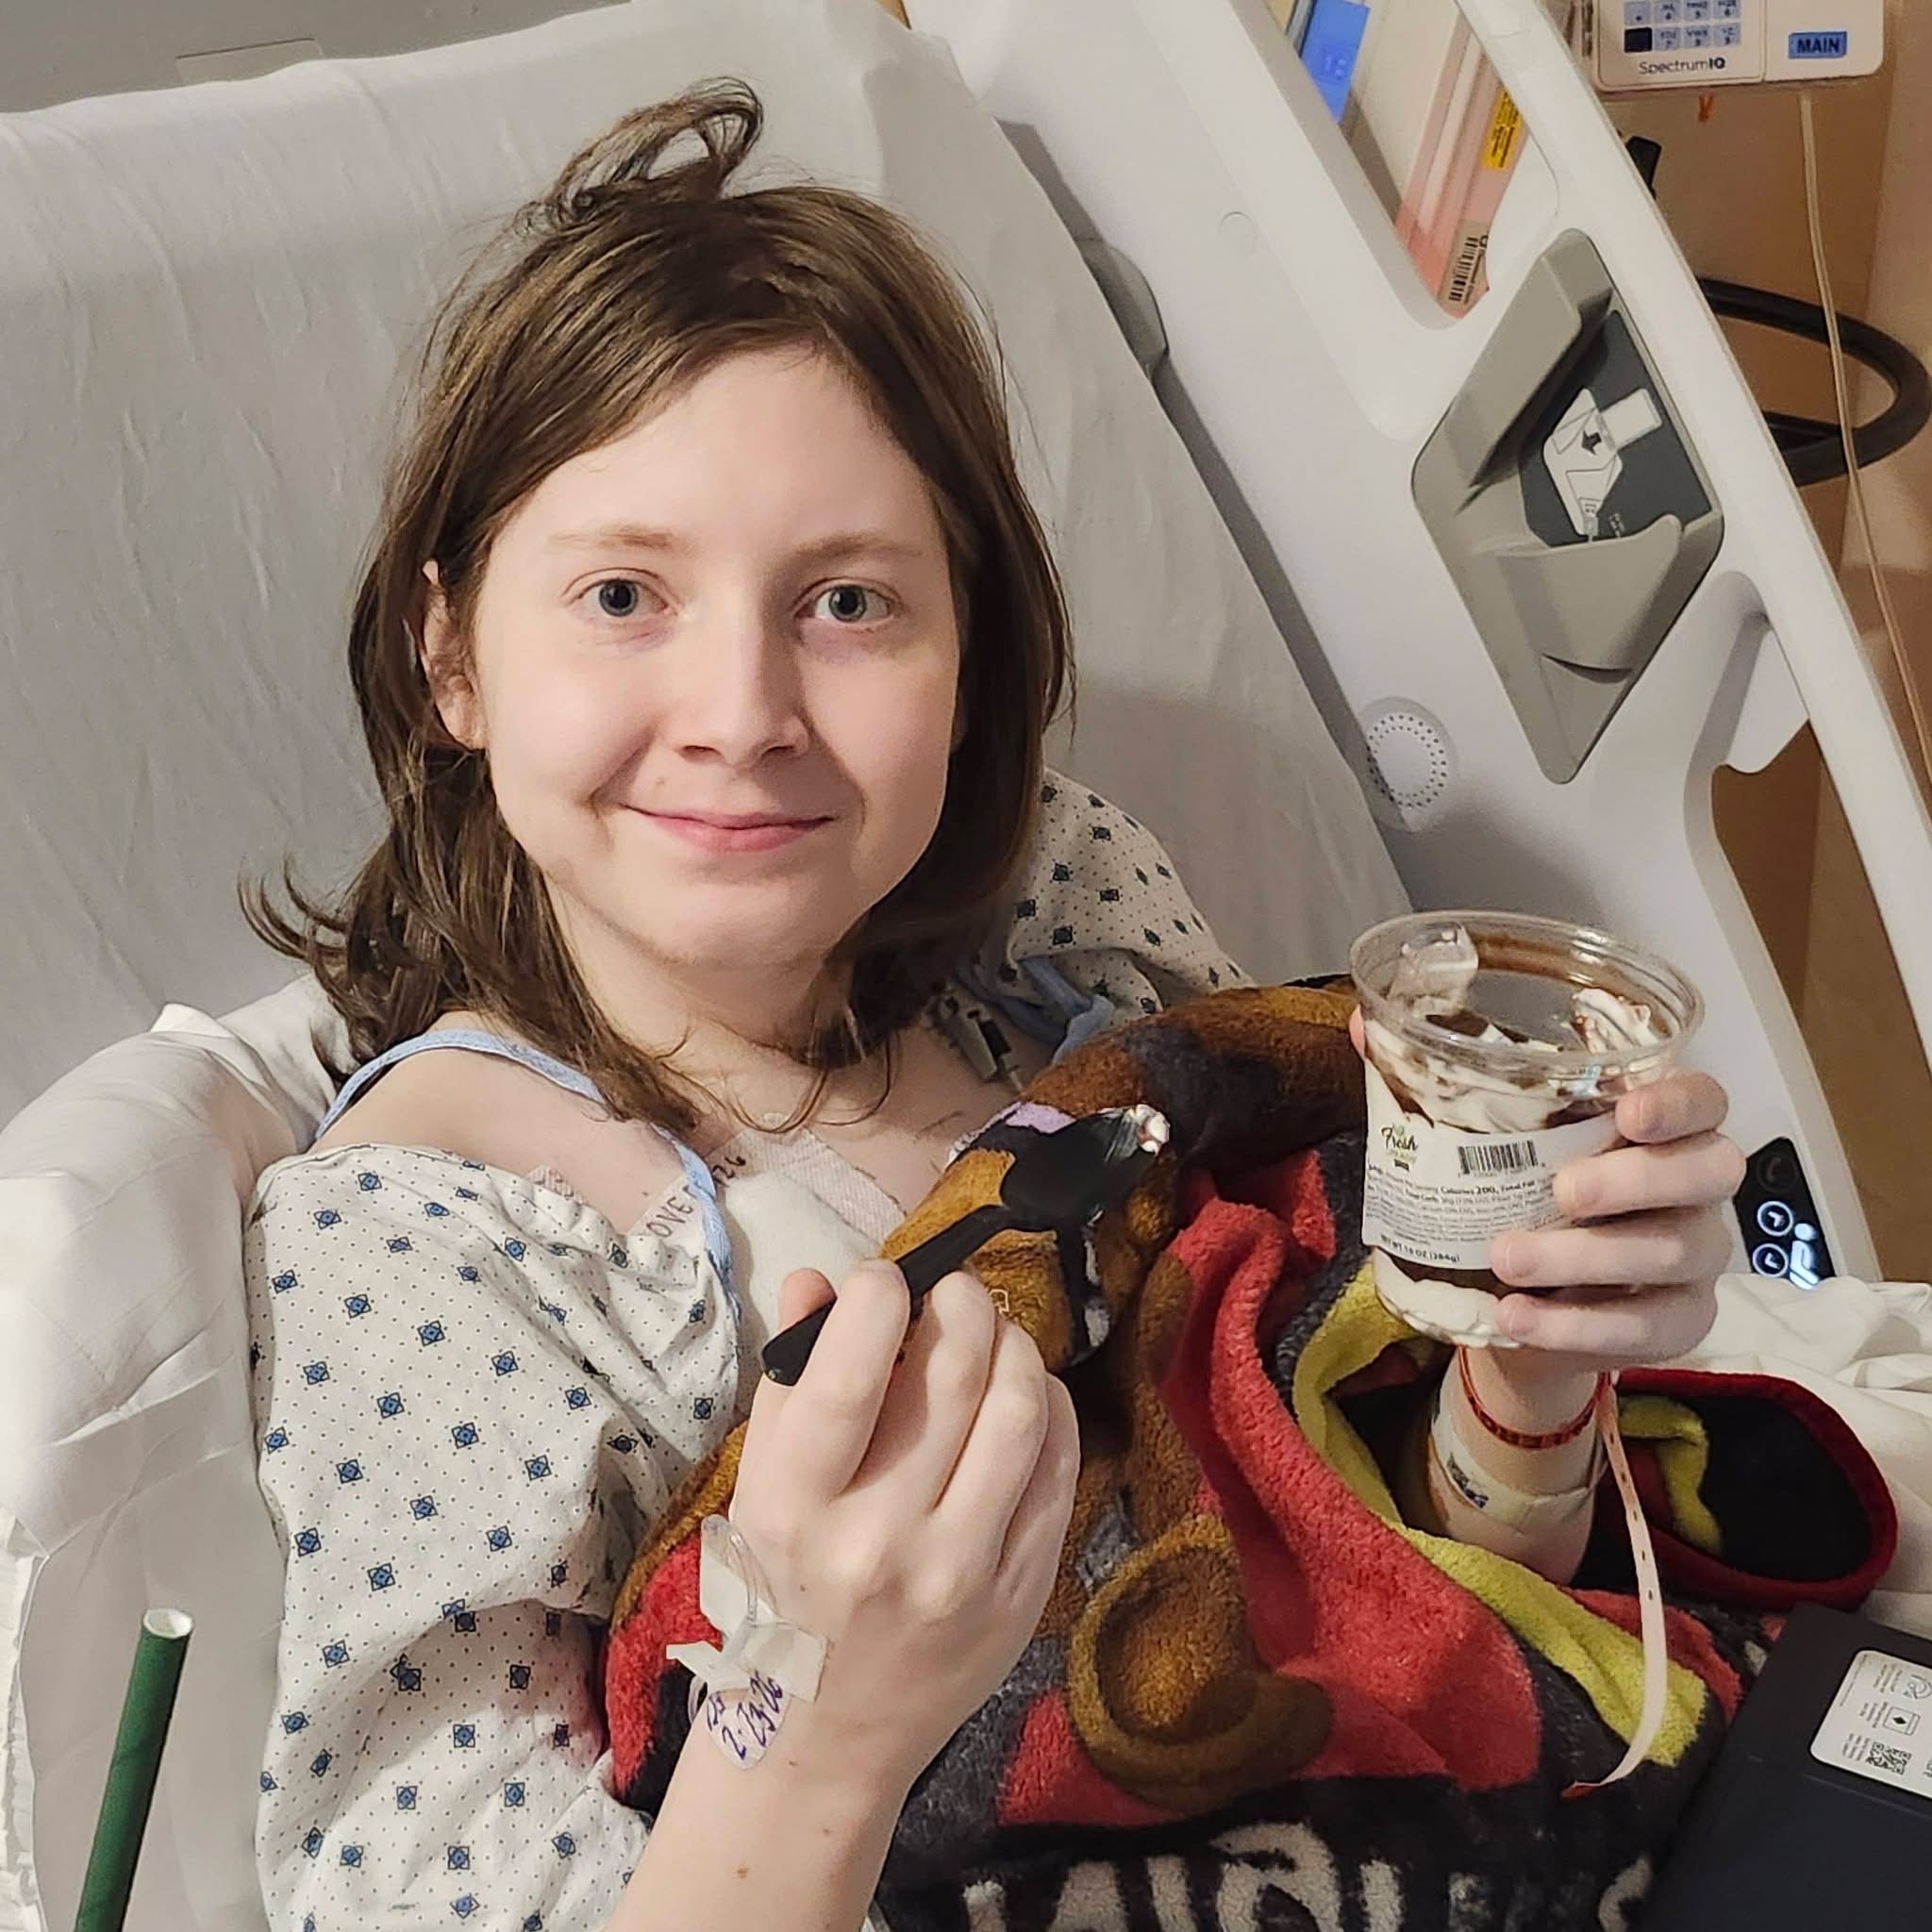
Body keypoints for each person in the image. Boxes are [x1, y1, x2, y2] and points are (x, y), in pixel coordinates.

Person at [242, 81, 1744, 1932]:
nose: (742, 712)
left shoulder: (1079, 955)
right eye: (623, 593)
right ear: (450, 655)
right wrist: (825, 1721)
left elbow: (1371, 1580)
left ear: (972, 658)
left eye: (848, 603)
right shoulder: (443, 1243)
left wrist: (1525, 1368)